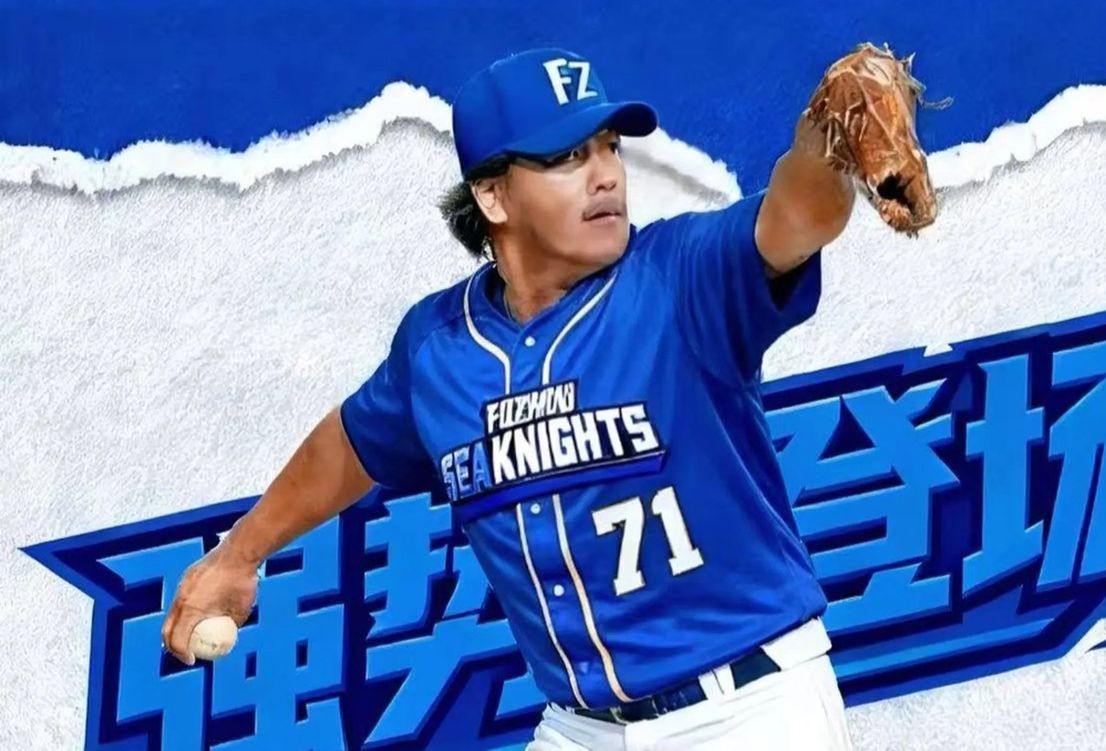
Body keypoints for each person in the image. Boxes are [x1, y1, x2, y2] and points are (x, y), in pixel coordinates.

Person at [163, 47, 859, 750]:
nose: (606, 175)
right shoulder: (438, 347)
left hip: (747, 708)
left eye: (610, 147)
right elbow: (350, 444)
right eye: (568, 156)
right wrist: (238, 554)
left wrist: (825, 151)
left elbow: (794, 218)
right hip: (582, 728)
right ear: (493, 196)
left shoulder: (680, 276)